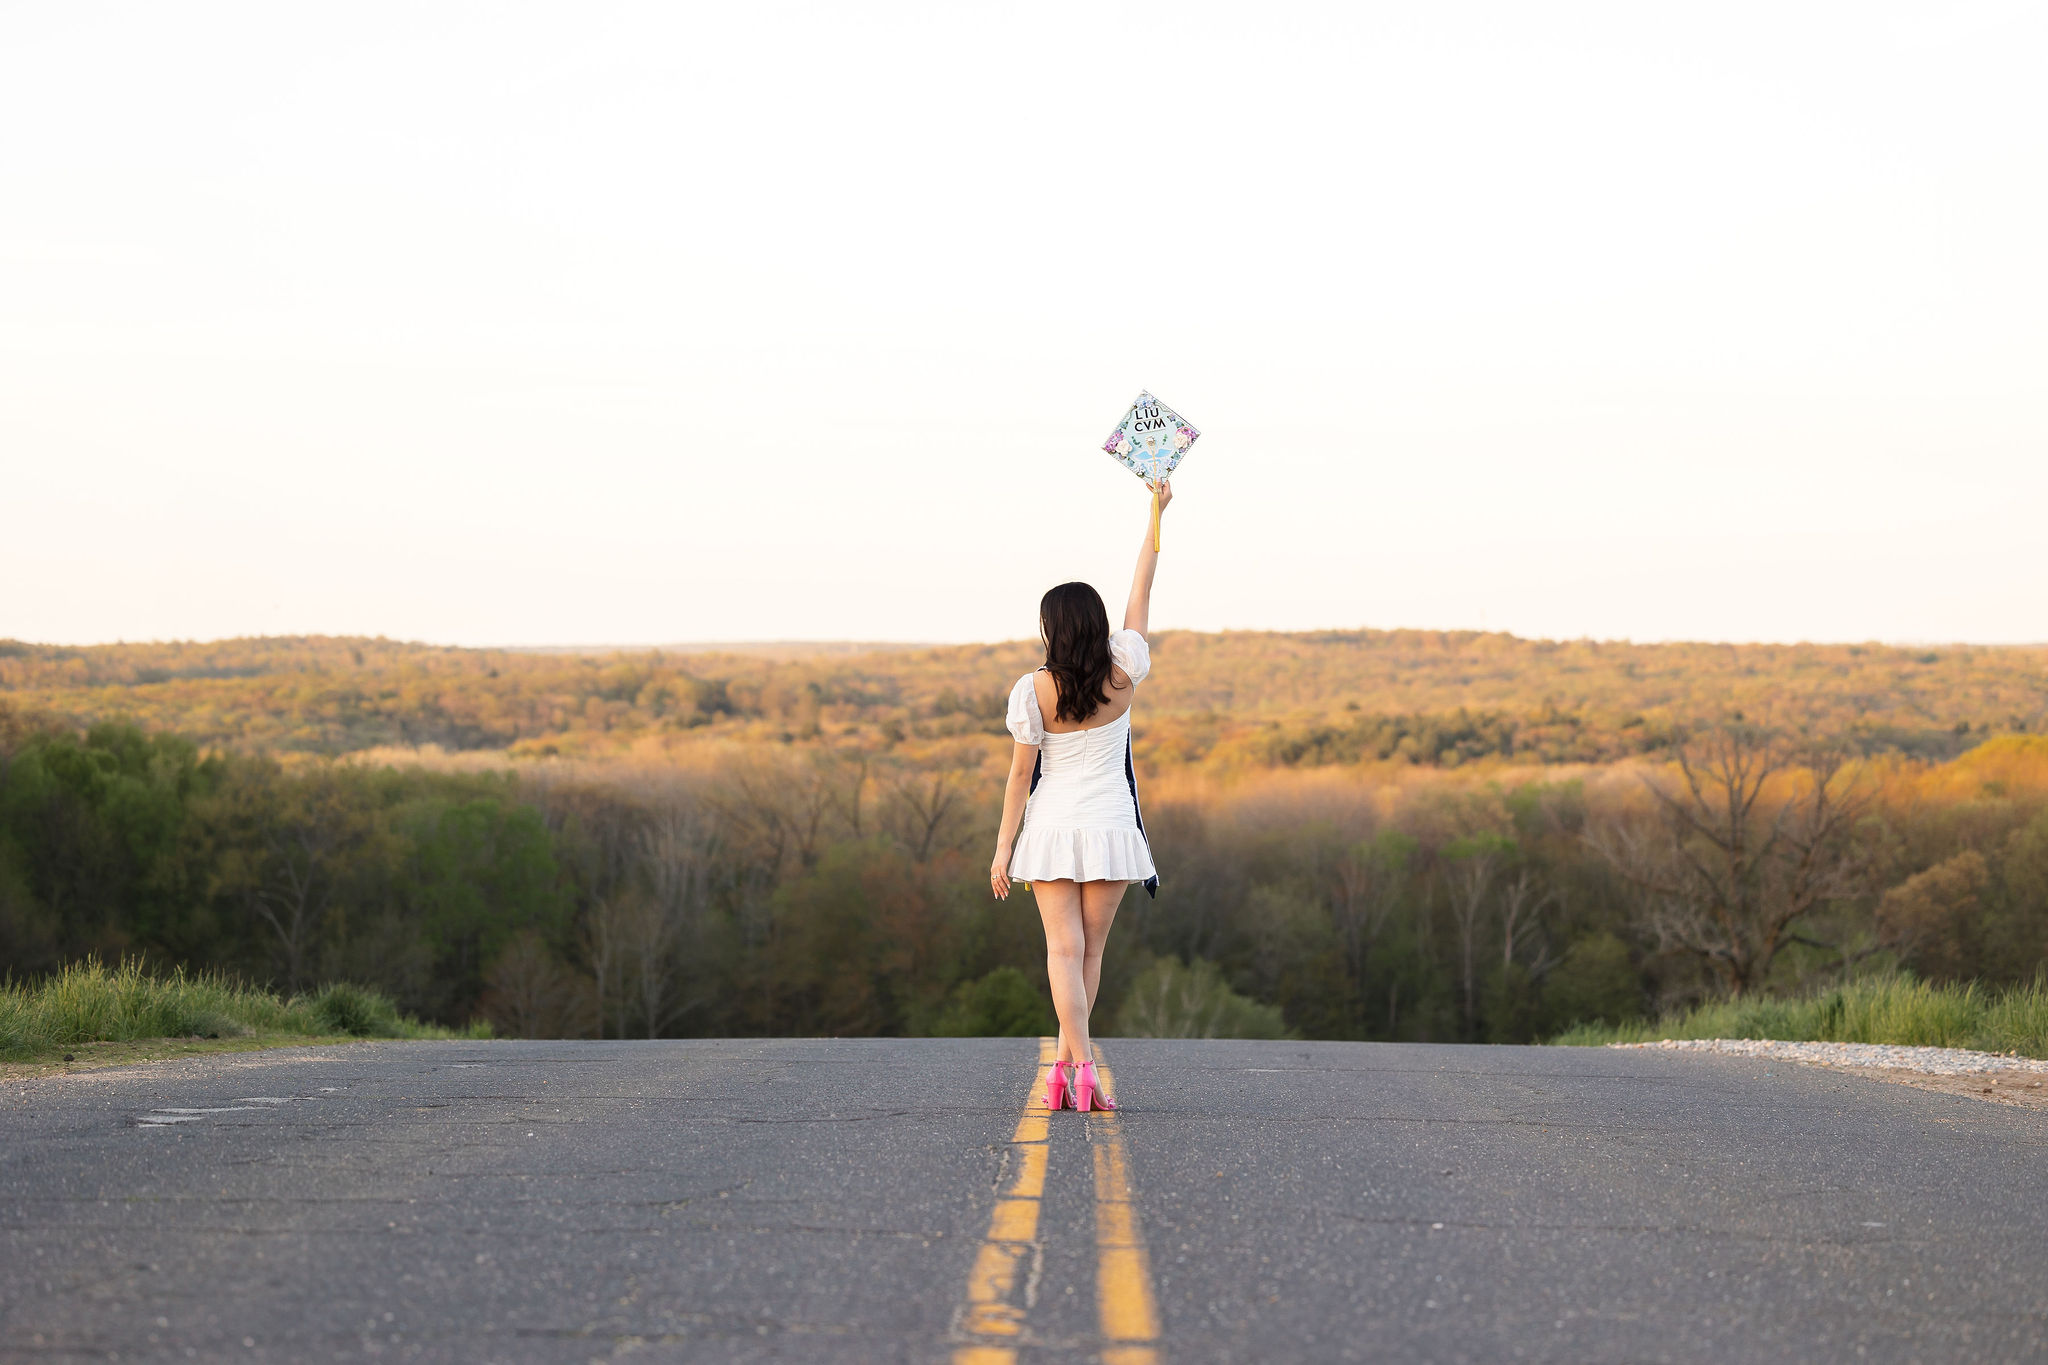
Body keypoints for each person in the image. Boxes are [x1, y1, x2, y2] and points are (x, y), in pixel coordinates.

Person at [990, 479, 1172, 1114]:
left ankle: (1074, 1068)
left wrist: (1001, 850)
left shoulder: (1031, 690)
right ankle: (1078, 1069)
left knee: (1060, 953)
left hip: (1050, 828)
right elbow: (1141, 592)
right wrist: (1155, 516)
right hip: (1112, 827)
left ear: (1049, 628)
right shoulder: (1124, 669)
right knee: (1091, 953)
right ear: (1095, 625)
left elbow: (1020, 777)